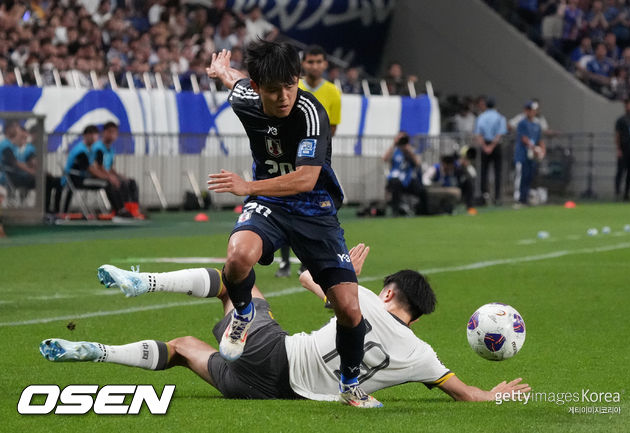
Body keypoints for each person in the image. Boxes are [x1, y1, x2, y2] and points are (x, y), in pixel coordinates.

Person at [44, 243, 531, 405]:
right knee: (186, 346)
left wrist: (342, 274)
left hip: (274, 354)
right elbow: (468, 394)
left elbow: (303, 276)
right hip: (269, 392)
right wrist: (494, 394)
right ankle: (100, 352)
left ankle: (142, 283)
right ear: (418, 316)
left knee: (235, 279)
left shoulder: (362, 298)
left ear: (388, 294)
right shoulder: (425, 357)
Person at [203, 42, 380, 407]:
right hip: (270, 203)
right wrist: (222, 72)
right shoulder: (244, 98)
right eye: (273, 89)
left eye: (290, 85)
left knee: (349, 309)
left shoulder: (309, 110)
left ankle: (350, 383)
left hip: (314, 209)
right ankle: (244, 313)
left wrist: (247, 186)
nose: (284, 96)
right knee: (237, 256)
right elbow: (235, 81)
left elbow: (305, 179)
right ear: (257, 88)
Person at [276, 45, 343, 278]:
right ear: (303, 64)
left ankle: (310, 261)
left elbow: (331, 128)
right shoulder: (293, 87)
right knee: (283, 205)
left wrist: (313, 154)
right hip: (288, 158)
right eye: (310, 62)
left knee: (314, 208)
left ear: (325, 64)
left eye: (318, 61)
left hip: (317, 160)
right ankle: (284, 262)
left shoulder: (333, 92)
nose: (314, 66)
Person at [61, 125, 126, 216]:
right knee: (107, 183)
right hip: (75, 180)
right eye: (91, 134)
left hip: (82, 178)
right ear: (85, 136)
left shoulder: (89, 150)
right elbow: (91, 169)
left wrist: (110, 176)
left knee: (115, 181)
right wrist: (108, 177)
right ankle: (119, 212)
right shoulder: (81, 151)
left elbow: (94, 167)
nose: (94, 137)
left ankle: (123, 209)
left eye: (95, 135)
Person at [91, 121, 145, 218]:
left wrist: (119, 175)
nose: (113, 135)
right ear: (104, 133)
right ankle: (120, 210)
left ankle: (133, 209)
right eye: (110, 132)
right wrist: (111, 177)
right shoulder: (98, 147)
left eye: (115, 133)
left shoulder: (111, 149)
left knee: (130, 182)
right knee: (117, 183)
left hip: (107, 174)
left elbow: (110, 168)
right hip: (98, 175)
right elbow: (99, 167)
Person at [474, 96, 507, 205]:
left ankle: (484, 196)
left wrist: (485, 147)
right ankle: (497, 197)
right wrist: (492, 146)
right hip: (496, 146)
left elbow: (479, 134)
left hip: (485, 145)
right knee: (498, 173)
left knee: (483, 172)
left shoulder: (481, 117)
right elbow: (499, 134)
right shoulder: (500, 117)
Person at [383, 131, 425, 216]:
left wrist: (409, 151)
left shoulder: (411, 150)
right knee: (395, 185)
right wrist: (394, 144)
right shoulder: (395, 151)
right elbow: (384, 158)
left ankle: (422, 212)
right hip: (396, 179)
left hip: (408, 179)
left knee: (422, 190)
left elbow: (418, 163)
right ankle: (395, 211)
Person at [514, 101, 546, 206]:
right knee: (522, 176)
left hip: (533, 155)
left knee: (530, 176)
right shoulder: (522, 123)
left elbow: (540, 139)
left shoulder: (537, 124)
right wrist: (534, 147)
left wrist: (542, 150)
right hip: (523, 154)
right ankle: (520, 198)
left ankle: (527, 197)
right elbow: (524, 138)